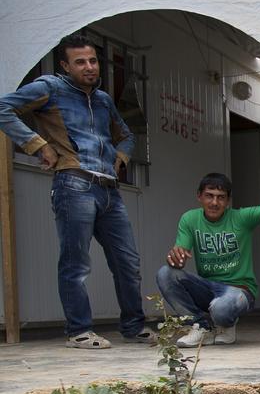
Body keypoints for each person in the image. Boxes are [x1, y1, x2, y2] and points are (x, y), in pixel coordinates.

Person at [0, 34, 153, 349]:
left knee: (128, 262)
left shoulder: (103, 99)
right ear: (65, 66)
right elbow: (4, 108)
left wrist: (121, 158)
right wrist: (38, 145)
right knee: (76, 264)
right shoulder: (49, 87)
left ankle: (134, 326)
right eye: (80, 62)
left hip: (109, 190)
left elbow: (127, 134)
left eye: (93, 60)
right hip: (73, 183)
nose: (89, 67)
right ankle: (79, 331)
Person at [156, 156, 260, 347]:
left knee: (221, 308)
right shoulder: (190, 219)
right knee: (165, 273)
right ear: (199, 196)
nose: (214, 202)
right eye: (209, 195)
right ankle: (200, 327)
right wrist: (175, 258)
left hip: (239, 290)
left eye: (221, 197)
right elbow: (180, 257)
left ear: (228, 201)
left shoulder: (241, 218)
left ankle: (226, 324)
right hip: (208, 288)